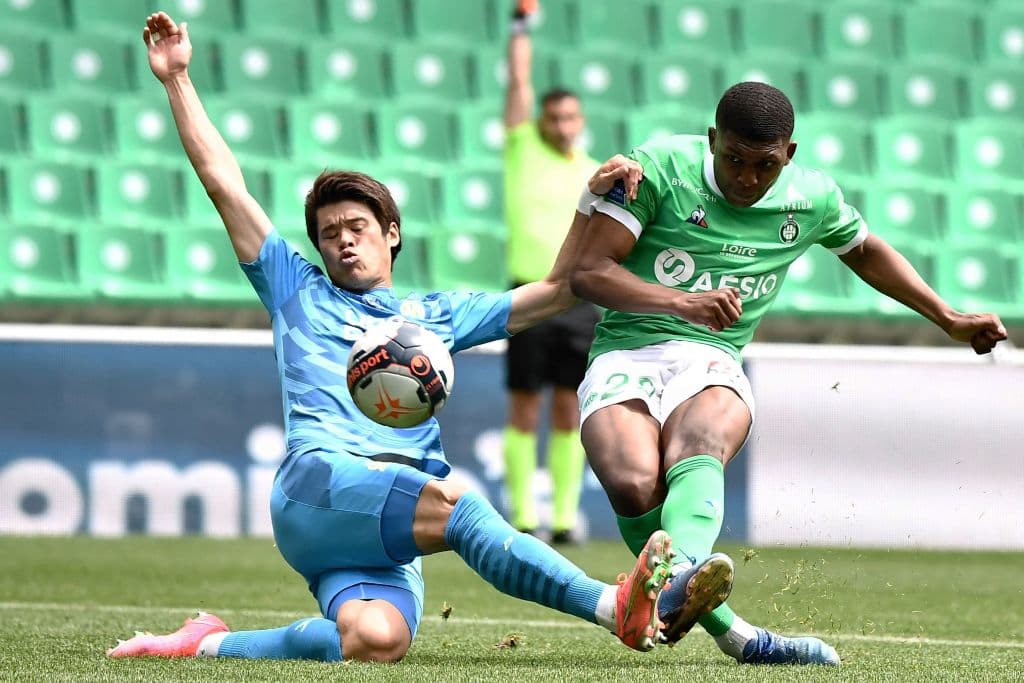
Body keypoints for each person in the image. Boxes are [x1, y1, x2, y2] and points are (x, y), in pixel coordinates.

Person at [107, 12, 672, 664]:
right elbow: (222, 181)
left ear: (392, 232)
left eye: (356, 225)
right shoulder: (296, 289)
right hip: (319, 488)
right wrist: (177, 78)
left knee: (376, 641)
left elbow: (558, 290)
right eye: (328, 233)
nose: (342, 239)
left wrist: (589, 207)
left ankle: (207, 643)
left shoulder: (433, 314)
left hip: (391, 515)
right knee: (459, 505)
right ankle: (612, 606)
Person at [570, 81, 1009, 666]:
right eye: (734, 160)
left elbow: (865, 250)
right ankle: (739, 637)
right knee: (632, 484)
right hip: (628, 351)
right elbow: (588, 272)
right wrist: (682, 302)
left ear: (790, 155)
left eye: (765, 165)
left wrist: (947, 316)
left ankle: (675, 579)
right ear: (711, 141)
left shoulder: (811, 198)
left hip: (712, 358)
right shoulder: (659, 170)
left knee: (698, 444)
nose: (748, 179)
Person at [500, 0, 600, 542]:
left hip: (579, 298)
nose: (562, 124)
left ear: (581, 121)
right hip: (530, 292)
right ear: (542, 119)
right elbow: (517, 80)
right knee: (524, 403)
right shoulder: (523, 150)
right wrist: (521, 27)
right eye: (554, 116)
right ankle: (523, 516)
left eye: (570, 116)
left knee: (568, 407)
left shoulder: (593, 171)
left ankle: (563, 519)